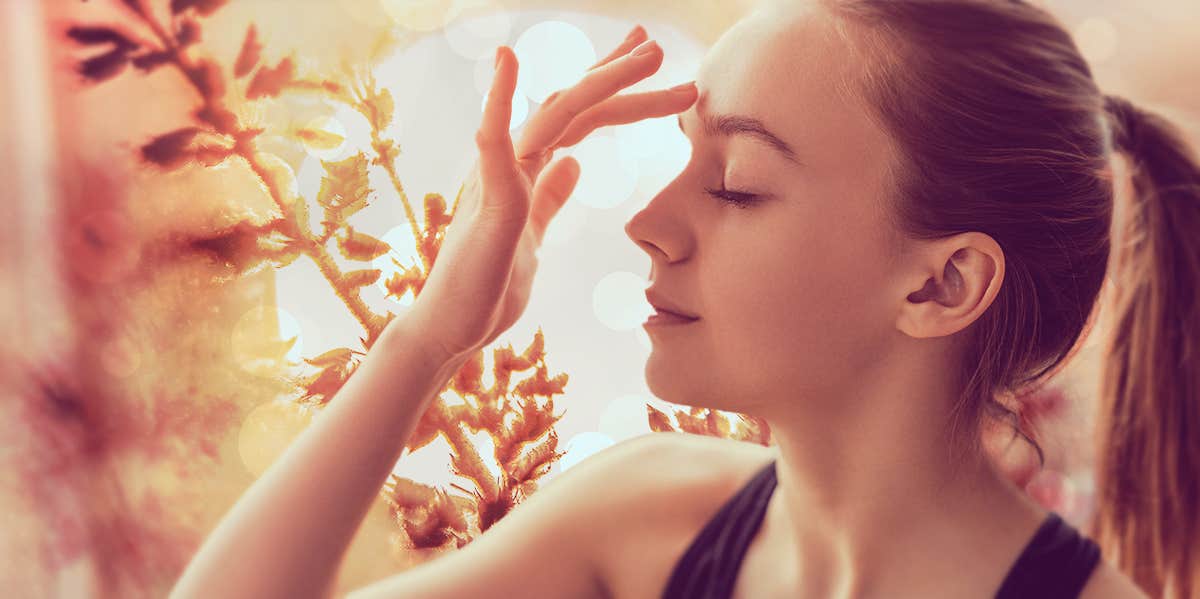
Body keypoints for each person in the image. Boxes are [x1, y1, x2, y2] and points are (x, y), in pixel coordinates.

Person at [169, 1, 1200, 598]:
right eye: (679, 159)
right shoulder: (648, 512)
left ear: (941, 281)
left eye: (736, 182)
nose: (648, 223)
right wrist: (430, 335)